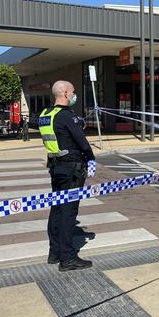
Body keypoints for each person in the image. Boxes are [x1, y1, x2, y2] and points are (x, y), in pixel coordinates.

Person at [38, 80, 96, 272]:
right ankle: (68, 258)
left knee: (56, 210)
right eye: (72, 92)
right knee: (68, 213)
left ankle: (54, 253)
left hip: (55, 167)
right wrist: (91, 158)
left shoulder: (46, 114)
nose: (74, 95)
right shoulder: (66, 116)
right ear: (64, 94)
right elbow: (82, 141)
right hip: (72, 169)